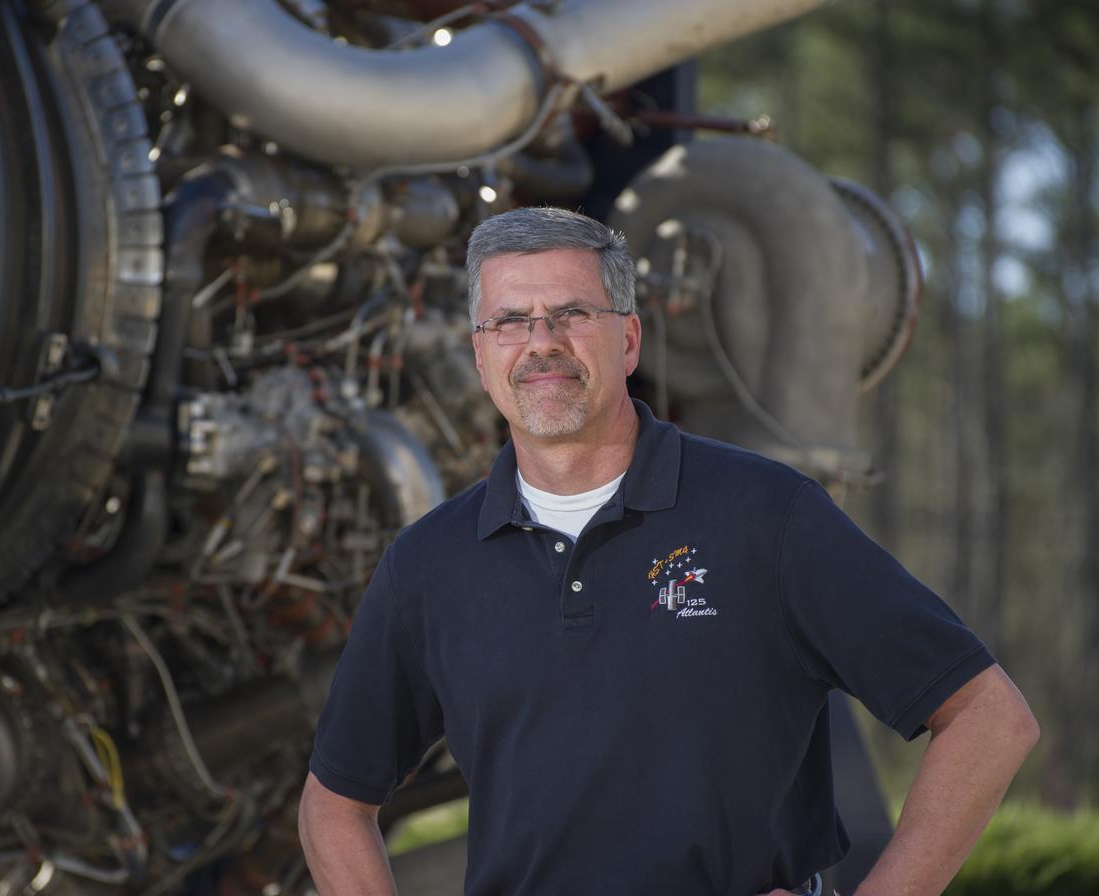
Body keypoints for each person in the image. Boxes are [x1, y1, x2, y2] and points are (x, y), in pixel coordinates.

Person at [297, 207, 1038, 896]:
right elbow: (334, 804)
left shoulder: (765, 515)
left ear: (628, 339)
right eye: (510, 321)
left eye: (571, 314)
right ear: (481, 353)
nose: (541, 342)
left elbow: (987, 717)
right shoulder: (430, 564)